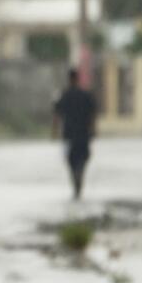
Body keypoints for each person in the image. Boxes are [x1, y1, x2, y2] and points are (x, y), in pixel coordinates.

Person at [53, 69, 97, 200]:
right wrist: (94, 129)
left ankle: (76, 181)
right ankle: (79, 178)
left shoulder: (64, 95)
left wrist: (54, 131)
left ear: (69, 79)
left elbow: (57, 114)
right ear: (77, 79)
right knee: (82, 159)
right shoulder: (86, 95)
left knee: (70, 161)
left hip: (69, 135)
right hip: (84, 134)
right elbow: (92, 115)